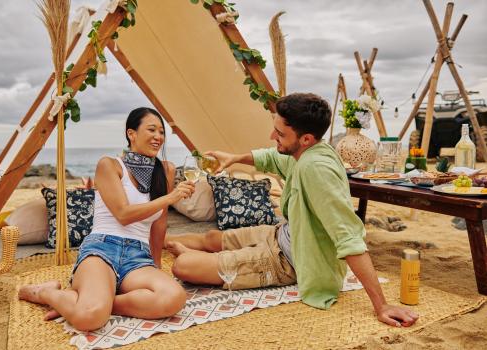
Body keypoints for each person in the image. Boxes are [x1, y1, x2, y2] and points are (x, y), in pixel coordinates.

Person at [166, 93, 419, 327]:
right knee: (212, 238)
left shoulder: (317, 170)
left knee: (184, 266)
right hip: (284, 234)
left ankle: (199, 255)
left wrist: (381, 305)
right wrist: (234, 158)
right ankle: (155, 243)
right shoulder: (308, 151)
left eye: (279, 133)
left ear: (306, 138)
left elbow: (349, 237)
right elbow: (274, 157)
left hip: (289, 260)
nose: (271, 136)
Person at [19, 107, 195, 331]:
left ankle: (92, 300)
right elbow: (123, 215)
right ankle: (46, 292)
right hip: (102, 249)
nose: (158, 137)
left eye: (162, 132)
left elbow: (159, 223)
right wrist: (170, 198)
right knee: (90, 318)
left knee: (173, 297)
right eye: (152, 130)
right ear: (131, 133)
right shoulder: (109, 165)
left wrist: (156, 264)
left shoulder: (166, 170)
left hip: (137, 257)